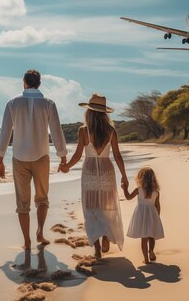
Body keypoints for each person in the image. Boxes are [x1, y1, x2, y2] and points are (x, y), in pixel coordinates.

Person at [0, 69, 68, 250]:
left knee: (22, 203)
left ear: (24, 82)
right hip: (41, 157)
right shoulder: (48, 104)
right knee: (42, 199)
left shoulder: (12, 103)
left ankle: (27, 241)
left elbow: (5, 132)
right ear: (39, 83)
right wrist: (63, 157)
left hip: (20, 158)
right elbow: (56, 132)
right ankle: (40, 233)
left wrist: (0, 159)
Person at [60, 93, 127, 259]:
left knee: (91, 208)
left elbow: (77, 155)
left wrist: (66, 166)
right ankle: (106, 236)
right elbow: (118, 156)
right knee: (106, 206)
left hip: (89, 171)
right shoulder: (111, 131)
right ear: (104, 113)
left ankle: (97, 248)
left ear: (88, 112)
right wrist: (124, 176)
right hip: (106, 171)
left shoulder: (83, 131)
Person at [122, 167, 164, 264]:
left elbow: (128, 197)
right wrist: (157, 217)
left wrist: (125, 189)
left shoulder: (138, 190)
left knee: (144, 238)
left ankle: (146, 259)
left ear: (140, 178)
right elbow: (157, 205)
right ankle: (151, 251)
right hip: (152, 215)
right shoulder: (156, 192)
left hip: (141, 215)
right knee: (151, 236)